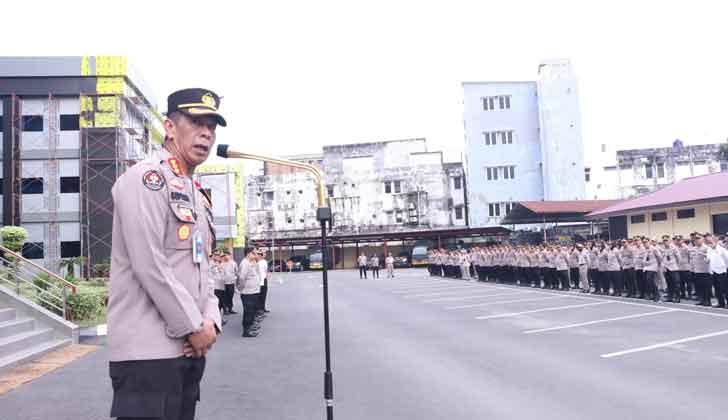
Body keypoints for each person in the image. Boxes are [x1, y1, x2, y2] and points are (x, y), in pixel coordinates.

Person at [107, 88, 225, 420]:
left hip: (189, 349)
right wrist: (193, 326)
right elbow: (150, 265)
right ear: (169, 127)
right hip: (148, 354)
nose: (206, 133)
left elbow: (203, 268)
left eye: (212, 127)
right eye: (196, 122)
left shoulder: (196, 193)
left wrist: (211, 322)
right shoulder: (146, 180)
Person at [237, 248, 261, 337]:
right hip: (247, 292)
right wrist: (241, 288)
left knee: (251, 311)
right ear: (248, 254)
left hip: (253, 291)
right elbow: (242, 278)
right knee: (248, 311)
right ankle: (246, 331)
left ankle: (250, 327)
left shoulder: (251, 262)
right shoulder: (245, 263)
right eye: (253, 253)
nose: (255, 255)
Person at [706, 234, 728, 308]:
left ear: (715, 241)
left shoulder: (722, 249)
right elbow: (708, 258)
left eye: (711, 242)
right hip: (713, 271)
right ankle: (720, 303)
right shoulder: (709, 249)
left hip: (722, 271)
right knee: (717, 289)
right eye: (708, 242)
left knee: (725, 288)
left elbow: (727, 259)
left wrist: (725, 268)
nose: (709, 244)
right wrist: (706, 260)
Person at [256, 248, 270, 319]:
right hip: (258, 281)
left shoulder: (264, 261)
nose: (264, 254)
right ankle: (259, 310)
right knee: (259, 296)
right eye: (261, 253)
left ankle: (263, 308)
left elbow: (266, 270)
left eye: (264, 253)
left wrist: (267, 274)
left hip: (264, 280)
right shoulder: (256, 262)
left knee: (264, 295)